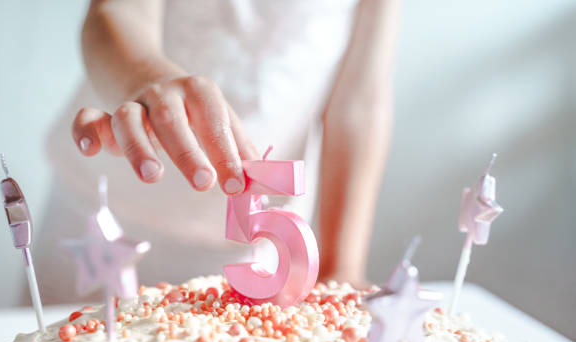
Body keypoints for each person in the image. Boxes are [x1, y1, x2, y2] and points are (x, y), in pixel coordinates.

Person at [36, 0, 399, 304]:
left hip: (254, 252)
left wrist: (343, 266)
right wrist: (145, 78)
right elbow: (117, 10)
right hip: (101, 223)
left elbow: (360, 102)